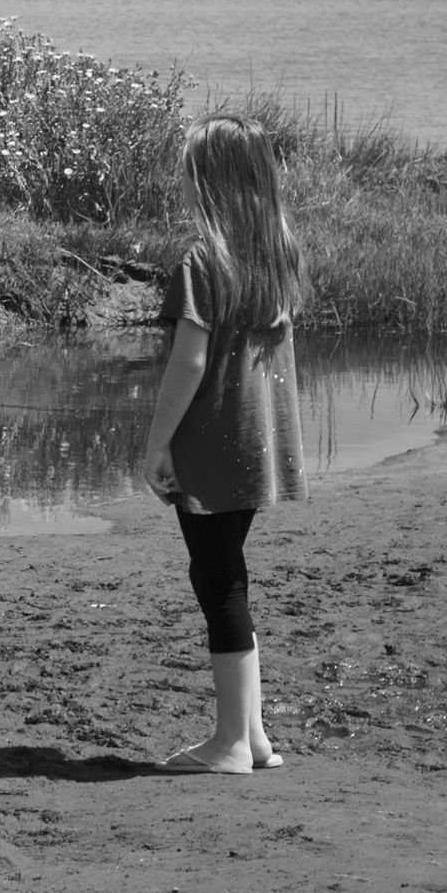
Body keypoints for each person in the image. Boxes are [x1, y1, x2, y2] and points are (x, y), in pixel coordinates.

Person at [138, 113, 306, 774]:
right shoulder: (275, 257)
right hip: (255, 451)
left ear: (212, 184)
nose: (182, 185)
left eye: (189, 174)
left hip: (210, 448)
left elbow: (190, 364)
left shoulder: (202, 261)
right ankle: (254, 735)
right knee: (226, 574)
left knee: (218, 582)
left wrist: (156, 445)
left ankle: (232, 742)